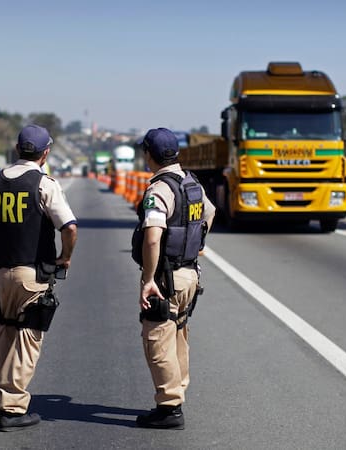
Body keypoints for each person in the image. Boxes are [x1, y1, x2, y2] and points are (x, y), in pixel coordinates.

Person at [0, 124, 77, 431]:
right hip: (32, 273)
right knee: (26, 338)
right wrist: (64, 258)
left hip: (2, 272)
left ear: (17, 149)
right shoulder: (44, 185)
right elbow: (68, 227)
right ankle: (13, 409)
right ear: (45, 153)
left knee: (4, 333)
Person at [132, 127, 215, 429]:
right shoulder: (192, 183)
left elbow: (153, 238)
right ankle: (177, 393)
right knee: (178, 335)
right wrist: (195, 244)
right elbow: (209, 215)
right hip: (190, 274)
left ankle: (169, 407)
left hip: (166, 278)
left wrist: (148, 278)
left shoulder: (160, 189)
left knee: (157, 340)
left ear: (150, 155)